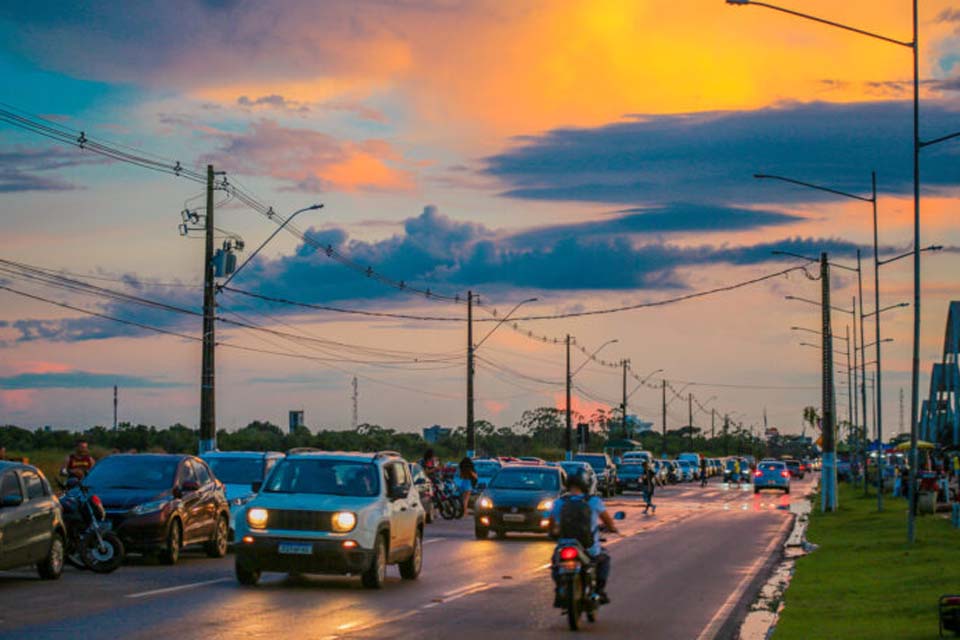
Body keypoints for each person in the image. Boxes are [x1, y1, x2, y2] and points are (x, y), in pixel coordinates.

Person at [549, 467, 622, 604]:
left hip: (565, 545)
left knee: (556, 564)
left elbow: (551, 524)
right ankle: (599, 591)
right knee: (604, 560)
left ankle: (559, 589)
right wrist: (612, 528)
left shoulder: (559, 502)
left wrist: (553, 533)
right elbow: (608, 521)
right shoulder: (593, 501)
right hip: (589, 548)